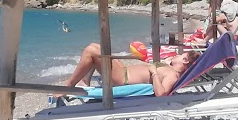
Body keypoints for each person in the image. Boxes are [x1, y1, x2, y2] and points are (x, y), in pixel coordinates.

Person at [61, 43, 197, 96]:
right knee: (98, 47)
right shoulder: (170, 69)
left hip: (122, 79)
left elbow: (161, 94)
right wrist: (167, 63)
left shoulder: (173, 75)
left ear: (185, 61)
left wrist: (154, 73)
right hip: (124, 71)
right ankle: (84, 81)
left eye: (181, 55)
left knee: (91, 51)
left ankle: (68, 86)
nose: (177, 55)